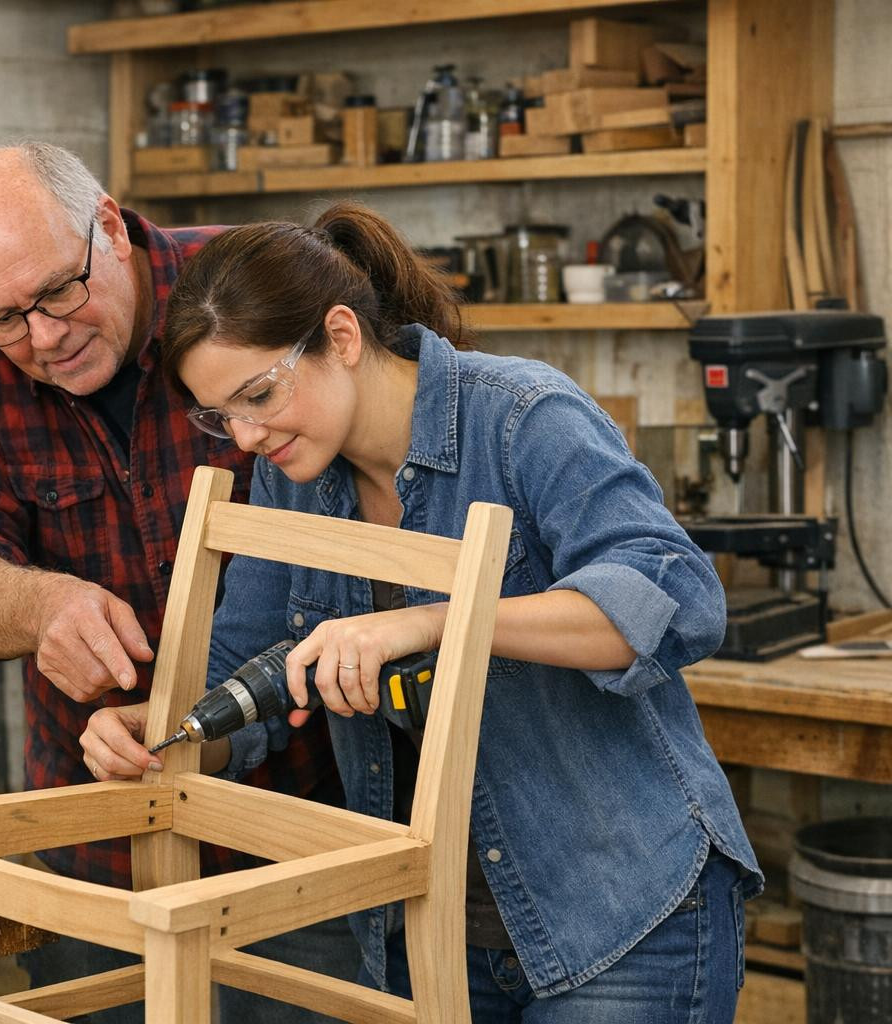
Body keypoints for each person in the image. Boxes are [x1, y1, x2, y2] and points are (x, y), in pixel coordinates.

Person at [79, 201, 762, 1022]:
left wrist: (441, 621)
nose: (247, 435)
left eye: (259, 394)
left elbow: (678, 602)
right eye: (221, 416)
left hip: (617, 907)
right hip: (429, 922)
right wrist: (162, 735)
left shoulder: (520, 417)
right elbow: (244, 677)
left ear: (340, 336)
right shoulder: (296, 478)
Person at [0, 142, 357, 1021]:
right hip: (103, 850)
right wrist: (40, 606)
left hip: (309, 831)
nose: (42, 336)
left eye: (59, 292)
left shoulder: (244, 294)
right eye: (2, 317)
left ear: (108, 225)